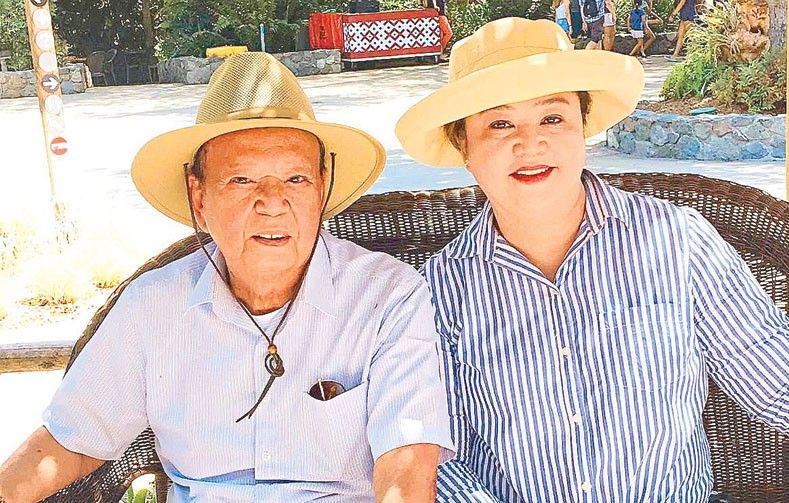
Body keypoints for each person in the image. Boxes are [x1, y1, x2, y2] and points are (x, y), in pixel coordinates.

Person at [0, 52, 454, 503]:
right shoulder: (153, 305)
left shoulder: (387, 294)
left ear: (322, 186)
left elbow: (407, 459)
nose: (272, 202)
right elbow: (71, 440)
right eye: (241, 180)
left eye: (295, 179)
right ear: (199, 197)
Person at [395, 17, 789, 502]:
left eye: (553, 117)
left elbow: (779, 381)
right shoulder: (443, 287)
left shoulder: (676, 241)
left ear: (583, 127)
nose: (531, 142)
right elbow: (445, 457)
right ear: (465, 146)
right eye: (499, 123)